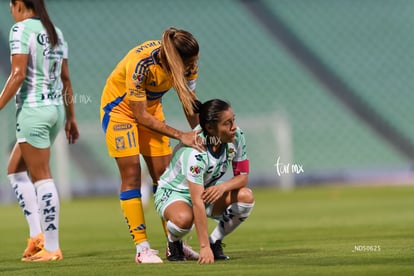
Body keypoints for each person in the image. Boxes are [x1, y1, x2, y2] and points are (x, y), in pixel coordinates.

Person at [100, 27, 204, 264]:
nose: (193, 65)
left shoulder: (189, 65)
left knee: (164, 177)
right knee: (132, 174)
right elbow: (139, 115)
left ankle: (174, 244)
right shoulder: (142, 64)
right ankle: (142, 248)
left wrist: (199, 135)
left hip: (151, 110)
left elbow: (190, 103)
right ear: (175, 58)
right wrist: (181, 135)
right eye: (189, 61)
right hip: (120, 112)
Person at [0, 0, 79, 262]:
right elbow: (66, 78)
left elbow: (18, 74)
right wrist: (71, 118)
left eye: (10, 5)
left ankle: (52, 247)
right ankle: (37, 237)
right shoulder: (54, 31)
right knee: (15, 170)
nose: (10, 10)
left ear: (19, 4)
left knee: (42, 177)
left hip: (33, 111)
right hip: (55, 111)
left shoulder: (20, 30)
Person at [154, 99, 255, 264]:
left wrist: (223, 187)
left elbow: (243, 176)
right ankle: (174, 241)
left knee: (246, 197)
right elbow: (197, 201)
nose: (234, 127)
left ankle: (215, 241)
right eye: (227, 123)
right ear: (209, 128)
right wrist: (203, 247)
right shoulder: (195, 152)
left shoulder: (237, 137)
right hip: (173, 193)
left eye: (233, 120)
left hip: (205, 190)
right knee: (184, 220)